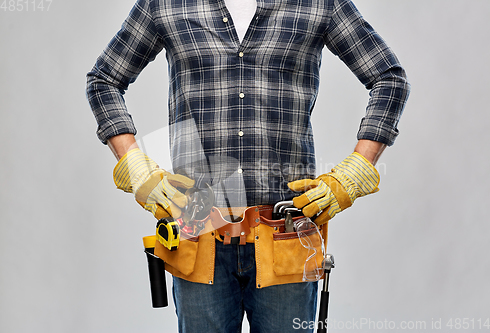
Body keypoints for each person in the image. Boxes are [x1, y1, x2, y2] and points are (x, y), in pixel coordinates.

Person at [86, 0, 410, 331]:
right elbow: (104, 80)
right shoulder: (165, 5)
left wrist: (355, 170)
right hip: (199, 232)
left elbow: (389, 78)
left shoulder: (319, 4)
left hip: (286, 233)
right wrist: (136, 166)